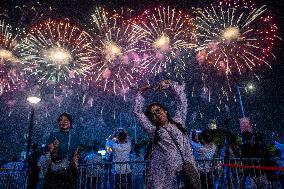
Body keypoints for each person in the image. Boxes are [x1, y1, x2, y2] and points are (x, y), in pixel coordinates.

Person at [134, 80, 200, 189]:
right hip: (165, 177)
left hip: (186, 172)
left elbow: (182, 101)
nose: (157, 114)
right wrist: (140, 94)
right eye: (152, 114)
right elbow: (138, 113)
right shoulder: (153, 130)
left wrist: (170, 85)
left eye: (158, 110)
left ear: (165, 111)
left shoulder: (179, 122)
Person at [44, 113, 80, 189]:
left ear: (70, 122)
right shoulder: (54, 134)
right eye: (61, 120)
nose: (63, 122)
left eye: (66, 120)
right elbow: (52, 155)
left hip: (69, 172)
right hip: (55, 172)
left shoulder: (75, 137)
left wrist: (76, 168)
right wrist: (56, 148)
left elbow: (75, 155)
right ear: (58, 122)